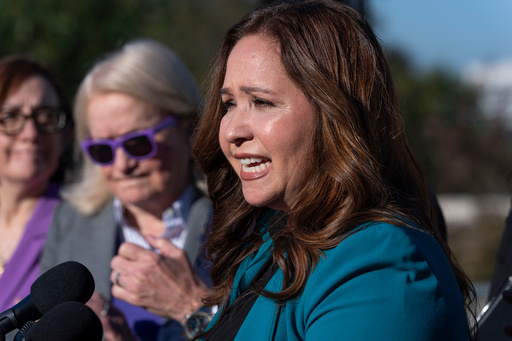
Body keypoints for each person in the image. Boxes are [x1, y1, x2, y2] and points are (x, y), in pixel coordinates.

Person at [191, 0, 477, 340]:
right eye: (229, 104)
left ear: (335, 114)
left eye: (262, 102)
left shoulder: (376, 266)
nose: (232, 130)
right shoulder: (272, 239)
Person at [40, 39, 212, 341]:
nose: (122, 164)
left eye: (138, 143)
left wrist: (195, 308)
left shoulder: (239, 222)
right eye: (102, 150)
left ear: (189, 129)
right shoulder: (71, 222)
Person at [0, 55, 72, 340]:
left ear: (66, 134)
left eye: (46, 117)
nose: (30, 133)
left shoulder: (82, 223)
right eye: (11, 116)